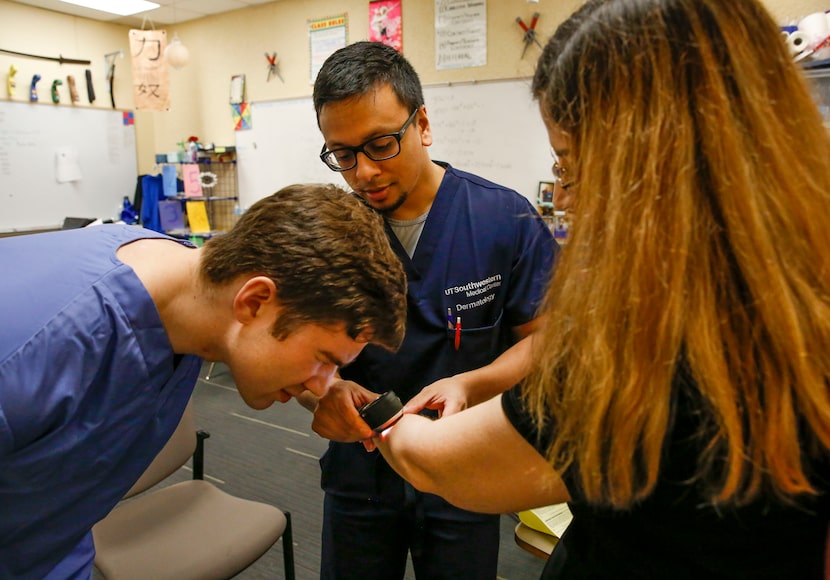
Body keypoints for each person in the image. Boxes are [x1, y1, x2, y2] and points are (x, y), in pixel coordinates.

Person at [373, 0, 830, 578]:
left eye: (569, 165)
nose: (562, 197)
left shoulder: (642, 347)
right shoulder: (800, 289)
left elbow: (447, 465)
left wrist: (376, 415)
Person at [0, 183, 407, 579]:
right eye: (323, 360)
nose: (321, 385)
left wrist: (330, 386)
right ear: (254, 301)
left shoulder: (193, 293)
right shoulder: (31, 355)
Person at [304, 41, 557, 579]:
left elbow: (548, 339)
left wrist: (473, 384)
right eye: (343, 155)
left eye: (380, 145)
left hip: (467, 463)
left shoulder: (502, 217)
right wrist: (322, 391)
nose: (364, 173)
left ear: (422, 124)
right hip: (362, 472)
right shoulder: (328, 235)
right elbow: (293, 353)